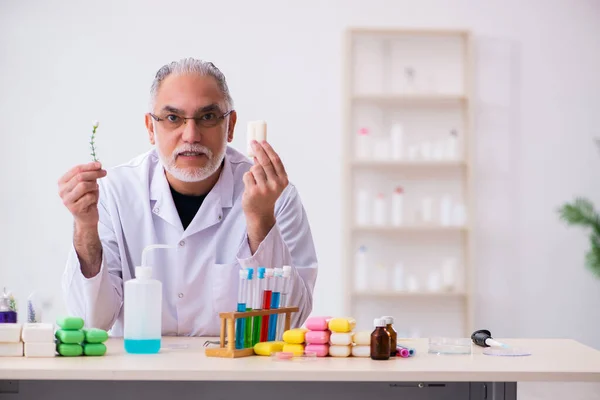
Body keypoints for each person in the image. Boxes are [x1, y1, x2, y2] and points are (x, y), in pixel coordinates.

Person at [58, 58, 318, 336]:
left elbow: (287, 323)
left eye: (207, 117)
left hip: (235, 374)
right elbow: (92, 321)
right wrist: (85, 228)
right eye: (173, 118)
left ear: (230, 126)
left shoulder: (276, 195)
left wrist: (260, 219)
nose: (191, 135)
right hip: (136, 373)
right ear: (150, 128)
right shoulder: (114, 192)